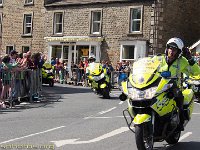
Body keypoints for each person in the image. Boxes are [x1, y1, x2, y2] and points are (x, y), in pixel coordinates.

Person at [156, 37, 200, 131]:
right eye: (170, 48)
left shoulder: (182, 61)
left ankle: (180, 120)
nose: (171, 51)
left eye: (174, 49)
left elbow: (196, 72)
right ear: (167, 48)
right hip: (157, 86)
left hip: (173, 86)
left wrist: (190, 59)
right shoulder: (158, 59)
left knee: (179, 97)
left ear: (179, 51)